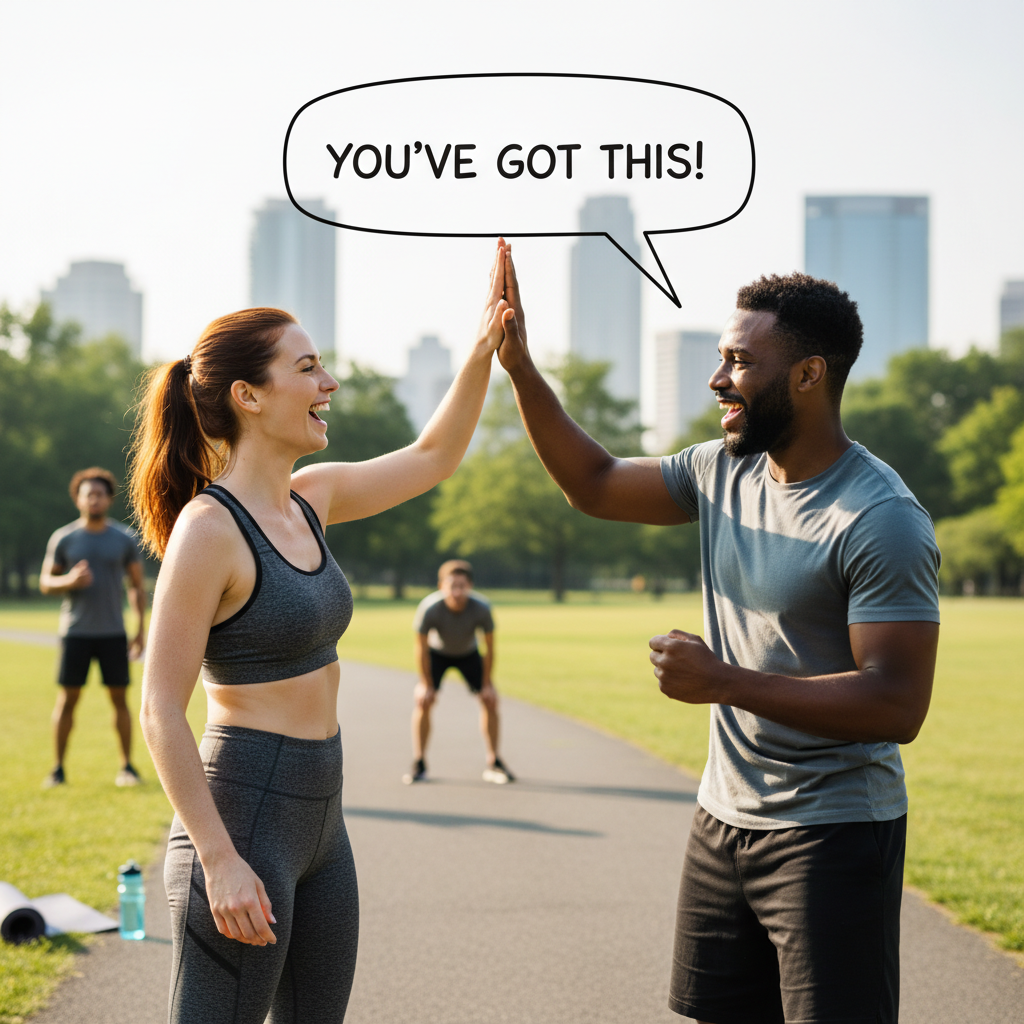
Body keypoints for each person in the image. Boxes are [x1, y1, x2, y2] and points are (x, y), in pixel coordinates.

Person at [494, 254, 940, 1024]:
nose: (717, 378)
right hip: (722, 820)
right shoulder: (721, 469)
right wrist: (521, 367)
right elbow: (593, 483)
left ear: (807, 376)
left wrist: (723, 681)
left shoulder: (880, 520)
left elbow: (897, 704)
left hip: (831, 831)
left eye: (739, 361)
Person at [131, 241, 512, 1024]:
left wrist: (483, 348)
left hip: (322, 825)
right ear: (248, 396)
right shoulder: (209, 530)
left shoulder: (314, 498)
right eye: (307, 369)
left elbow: (435, 455)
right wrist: (220, 861)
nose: (329, 383)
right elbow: (160, 710)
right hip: (242, 821)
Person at [40, 467, 147, 788]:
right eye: (89, 494)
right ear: (78, 499)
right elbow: (46, 582)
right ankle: (58, 770)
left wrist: (140, 628)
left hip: (113, 633)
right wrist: (68, 581)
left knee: (120, 701)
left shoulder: (124, 539)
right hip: (76, 633)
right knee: (67, 701)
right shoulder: (64, 538)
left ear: (108, 499)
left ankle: (127, 767)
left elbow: (137, 586)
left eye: (100, 494)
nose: (94, 499)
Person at [405, 559, 513, 785]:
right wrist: (425, 683)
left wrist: (487, 684)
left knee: (490, 701)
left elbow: (490, 648)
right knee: (423, 701)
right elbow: (421, 648)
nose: (456, 591)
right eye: (451, 586)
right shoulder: (430, 608)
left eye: (462, 586)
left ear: (470, 586)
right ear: (441, 586)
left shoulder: (482, 608)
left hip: (469, 654)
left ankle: (494, 761)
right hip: (437, 654)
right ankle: (419, 762)